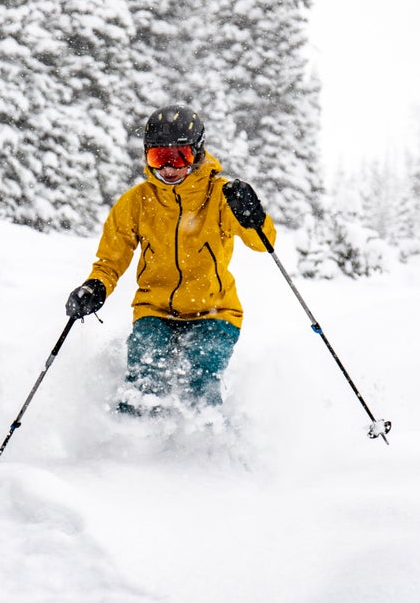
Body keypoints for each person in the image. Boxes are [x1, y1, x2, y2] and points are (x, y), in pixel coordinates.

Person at [63, 104, 277, 415]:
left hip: (214, 311)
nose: (169, 167)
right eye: (158, 157)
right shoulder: (136, 202)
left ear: (198, 153)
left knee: (201, 376)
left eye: (180, 157)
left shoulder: (220, 196)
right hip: (156, 310)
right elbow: (112, 257)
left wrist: (252, 214)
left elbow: (263, 243)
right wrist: (96, 286)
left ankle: (206, 444)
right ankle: (127, 443)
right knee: (146, 372)